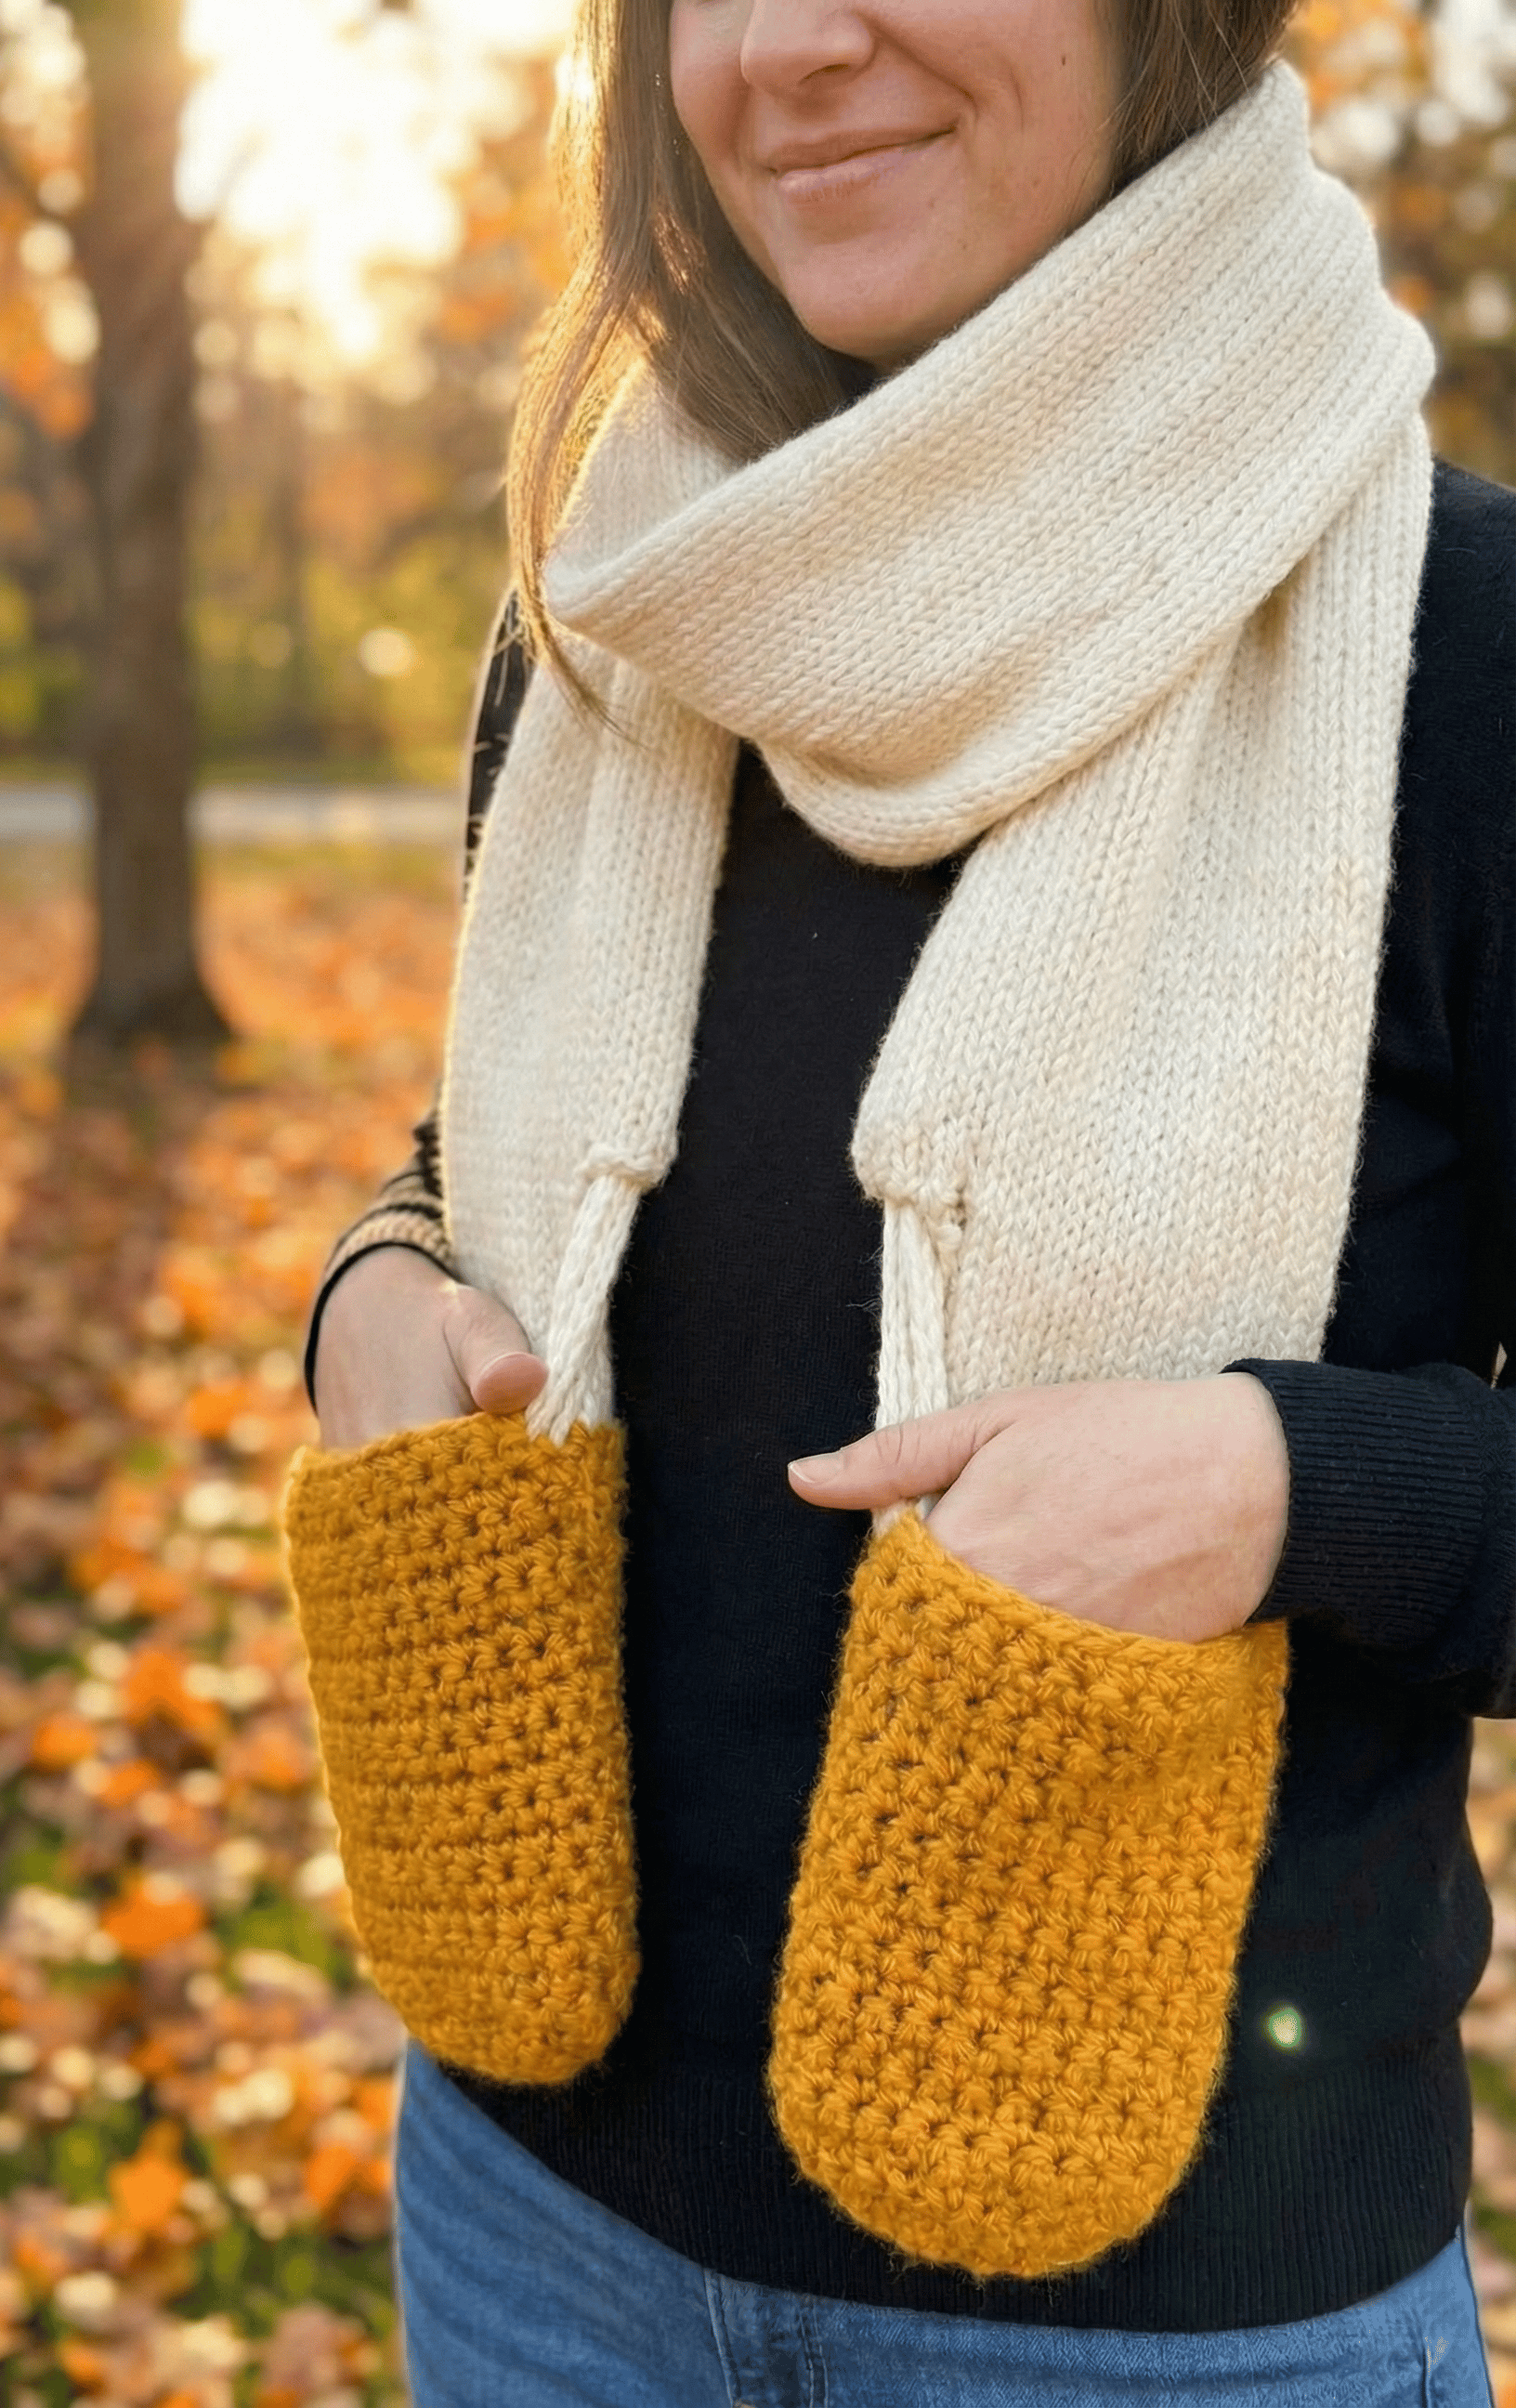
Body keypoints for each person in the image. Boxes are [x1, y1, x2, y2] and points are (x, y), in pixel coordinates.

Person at [284, 0, 1516, 2388]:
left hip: (1168, 2324)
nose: (785, 43)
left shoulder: (1461, 662)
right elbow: (518, 1173)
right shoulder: (613, 607)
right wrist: (371, 1277)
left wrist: (1287, 1489)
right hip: (533, 2234)